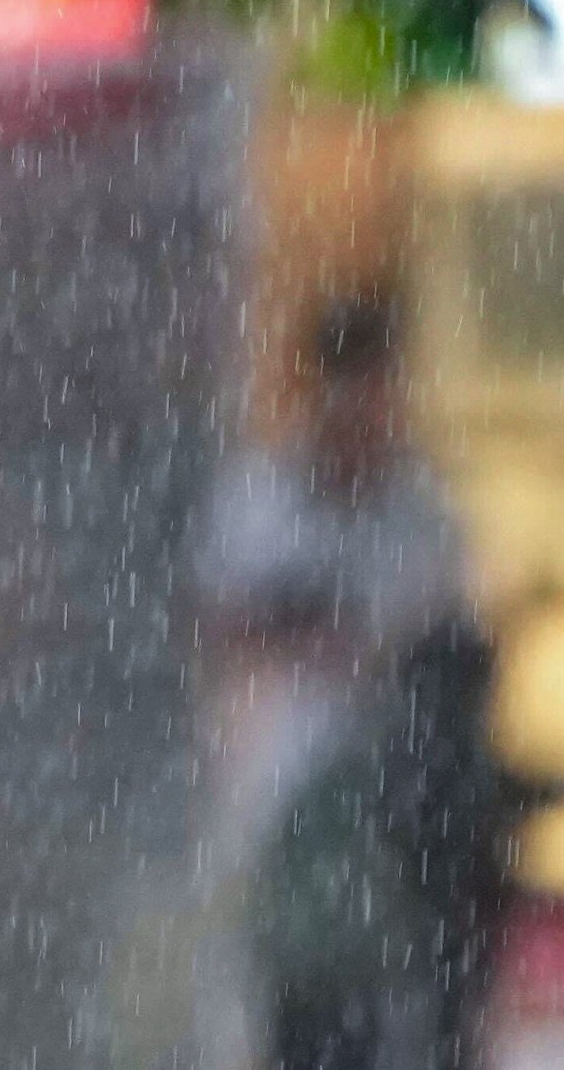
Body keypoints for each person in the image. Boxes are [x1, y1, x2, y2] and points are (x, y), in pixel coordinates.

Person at [200, 297, 500, 1070]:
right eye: (357, 398)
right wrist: (336, 633)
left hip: (403, 821)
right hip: (292, 816)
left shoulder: (417, 510)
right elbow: (228, 627)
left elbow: (450, 636)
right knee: (309, 1022)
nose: (371, 421)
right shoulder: (265, 504)